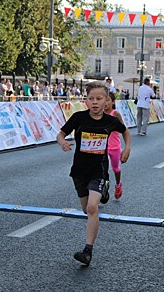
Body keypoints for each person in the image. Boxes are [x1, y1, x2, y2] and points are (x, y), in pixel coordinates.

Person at [56, 81, 131, 266]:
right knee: (86, 209)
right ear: (86, 101)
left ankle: (87, 251)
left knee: (91, 207)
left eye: (99, 99)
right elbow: (61, 134)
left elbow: (126, 131)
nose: (95, 102)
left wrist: (127, 148)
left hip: (99, 171)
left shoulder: (111, 120)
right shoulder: (78, 118)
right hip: (79, 171)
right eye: (91, 99)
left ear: (107, 101)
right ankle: (102, 192)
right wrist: (62, 142)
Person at [105, 91, 125, 199]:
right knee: (100, 168)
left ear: (113, 102)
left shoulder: (115, 114)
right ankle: (101, 188)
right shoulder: (98, 114)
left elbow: (123, 129)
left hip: (114, 146)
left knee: (115, 168)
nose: (105, 102)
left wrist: (126, 148)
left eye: (108, 100)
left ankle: (118, 184)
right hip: (102, 147)